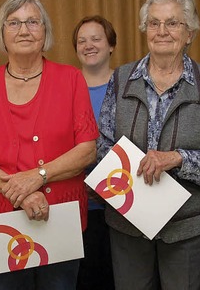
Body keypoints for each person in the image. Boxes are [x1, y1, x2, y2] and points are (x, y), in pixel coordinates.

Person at [0, 0, 98, 290]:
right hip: (4, 218)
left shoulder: (71, 78)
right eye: (14, 23)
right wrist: (21, 192)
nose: (24, 30)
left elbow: (87, 149)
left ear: (45, 31)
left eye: (32, 21)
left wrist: (38, 177)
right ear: (1, 34)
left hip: (60, 217)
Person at [97, 0, 200, 290]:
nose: (162, 31)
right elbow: (103, 145)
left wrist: (176, 158)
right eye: (154, 23)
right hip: (127, 220)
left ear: (189, 32)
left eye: (173, 23)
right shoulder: (121, 79)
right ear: (145, 30)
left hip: (187, 226)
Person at [72, 15, 116, 290]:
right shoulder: (65, 86)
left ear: (111, 45)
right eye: (81, 40)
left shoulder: (127, 85)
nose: (89, 45)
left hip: (122, 207)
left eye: (96, 39)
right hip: (75, 207)